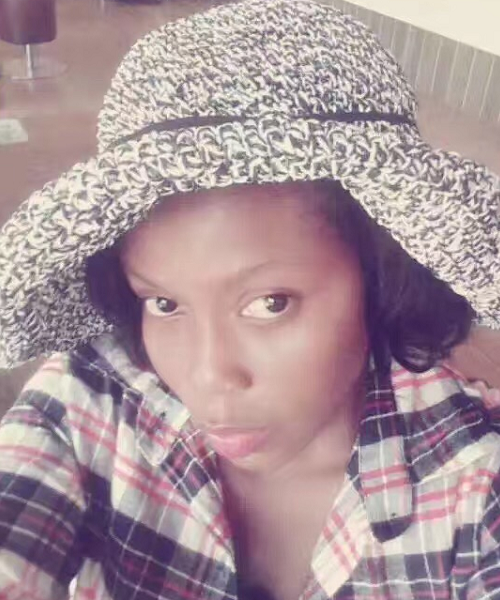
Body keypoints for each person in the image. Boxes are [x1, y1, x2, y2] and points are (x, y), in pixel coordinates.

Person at [0, 0, 499, 598]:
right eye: (163, 304)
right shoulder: (93, 399)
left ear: (381, 276)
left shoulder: (474, 484)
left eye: (270, 303)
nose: (208, 376)